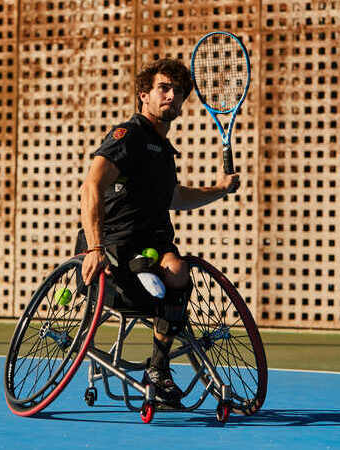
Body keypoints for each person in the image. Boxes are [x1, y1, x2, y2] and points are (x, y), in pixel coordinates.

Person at [78, 58, 240, 407]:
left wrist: (219, 189)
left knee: (178, 269)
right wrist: (94, 248)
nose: (172, 96)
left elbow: (176, 197)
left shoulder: (165, 153)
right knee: (152, 270)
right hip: (115, 251)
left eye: (178, 92)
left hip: (154, 246)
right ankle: (144, 274)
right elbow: (91, 185)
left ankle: (158, 367)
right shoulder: (129, 136)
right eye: (163, 88)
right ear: (144, 96)